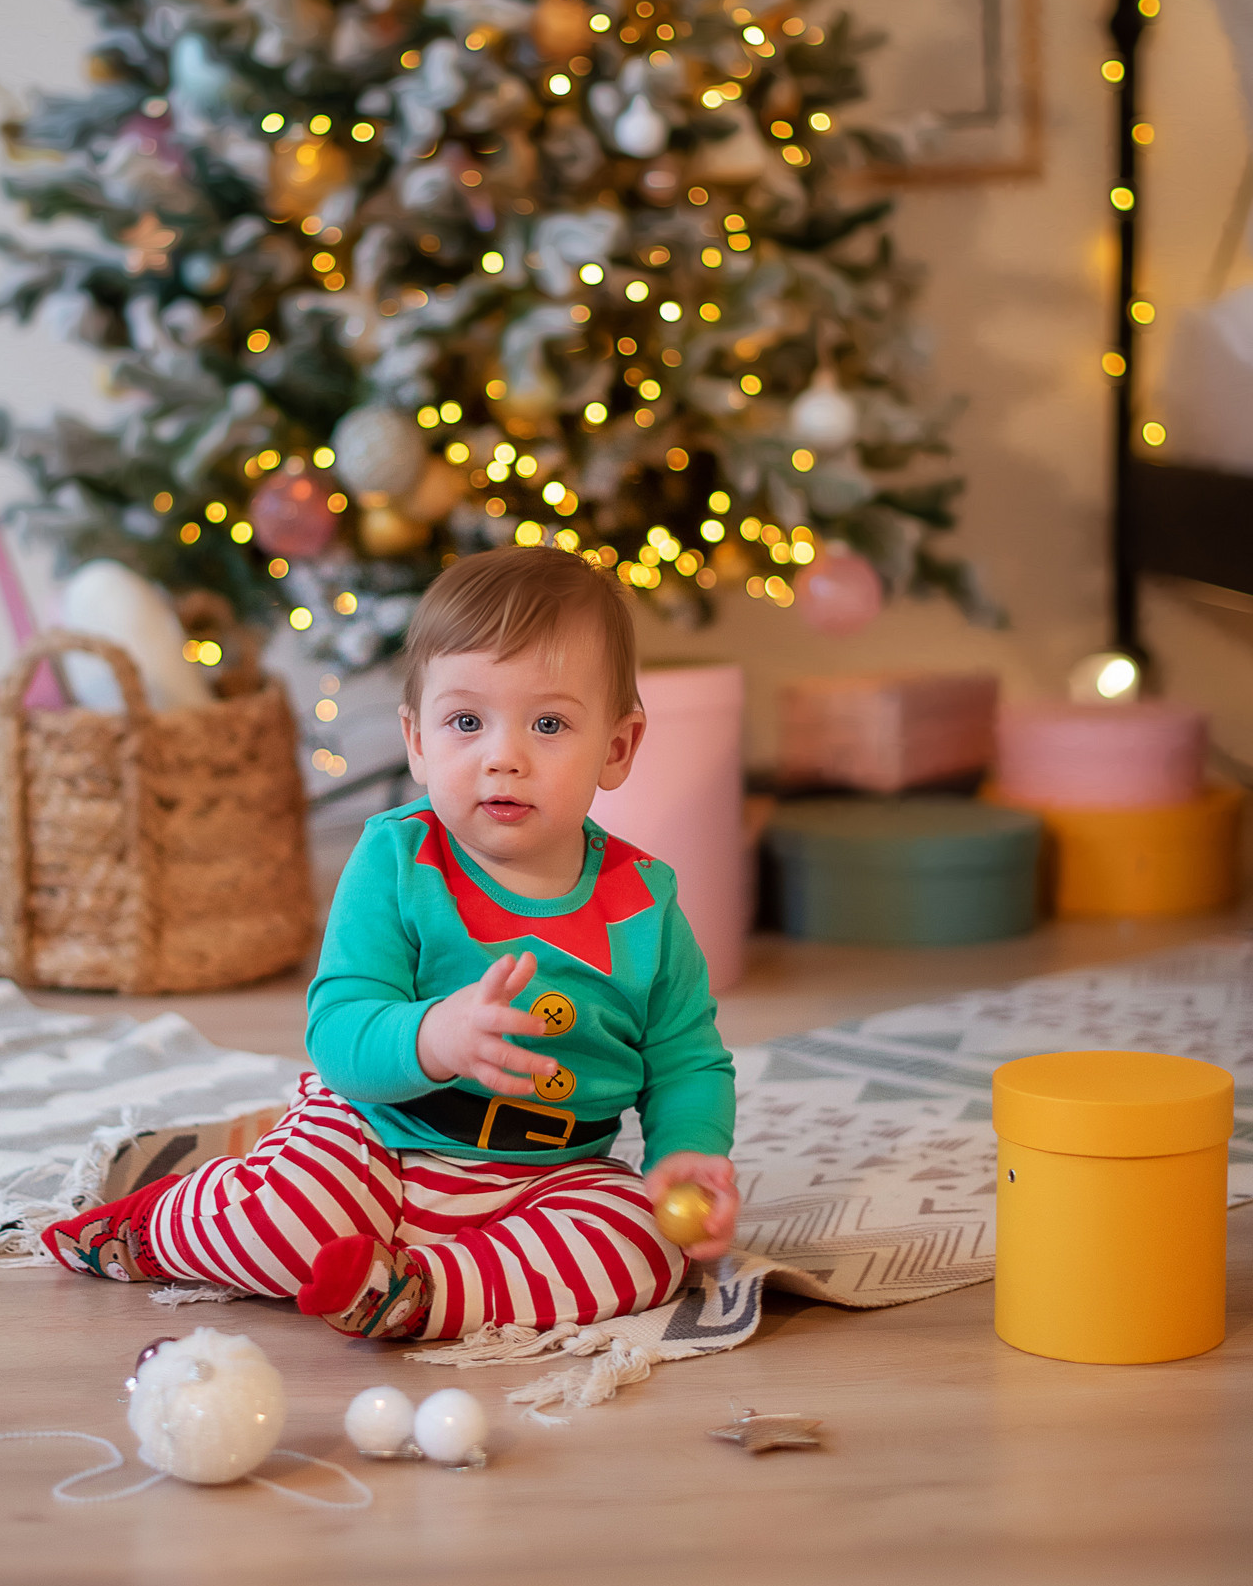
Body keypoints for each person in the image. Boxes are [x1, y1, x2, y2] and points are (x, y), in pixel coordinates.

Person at [42, 545, 740, 1341]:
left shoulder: (644, 903)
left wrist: (685, 1153)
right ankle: (156, 1228)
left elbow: (686, 1061)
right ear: (417, 740)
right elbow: (339, 1030)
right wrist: (434, 1037)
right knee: (293, 1214)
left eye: (548, 724)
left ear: (615, 748)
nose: (502, 757)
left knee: (644, 1245)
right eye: (466, 723)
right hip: (378, 1134)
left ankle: (421, 1289)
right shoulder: (398, 861)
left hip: (547, 1174)